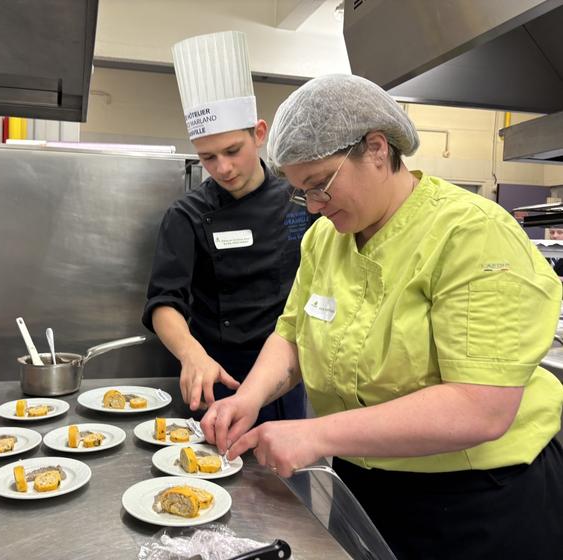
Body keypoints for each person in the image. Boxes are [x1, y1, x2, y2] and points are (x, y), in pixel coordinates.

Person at [201, 74, 563, 559]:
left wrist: (314, 434)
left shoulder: (472, 234)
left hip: (474, 501)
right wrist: (249, 397)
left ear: (376, 148)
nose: (312, 206)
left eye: (319, 185)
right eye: (300, 191)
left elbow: (481, 405)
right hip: (364, 486)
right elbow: (292, 333)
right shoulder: (325, 239)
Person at [142, 31, 313, 422]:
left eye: (233, 151)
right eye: (208, 157)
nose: (223, 168)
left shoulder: (303, 200)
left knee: (278, 480)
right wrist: (191, 354)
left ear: (259, 133)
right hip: (216, 372)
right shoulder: (185, 214)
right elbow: (164, 301)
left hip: (286, 368)